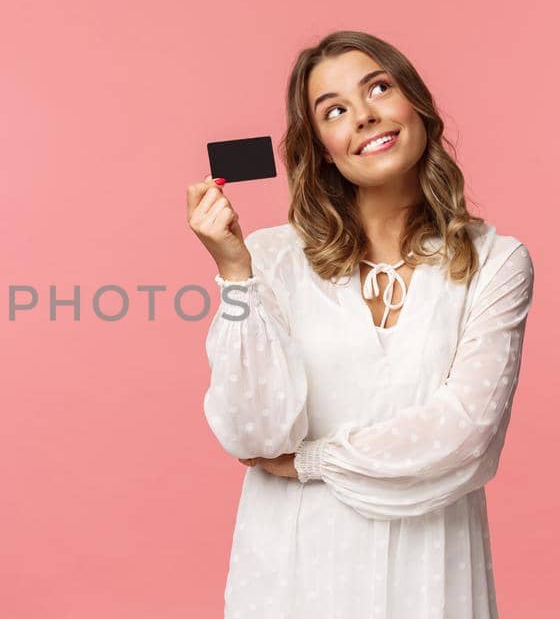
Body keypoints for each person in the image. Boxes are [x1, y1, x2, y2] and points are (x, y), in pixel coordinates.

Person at [184, 30, 535, 619]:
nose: (366, 117)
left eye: (379, 88)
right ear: (322, 146)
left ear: (416, 105)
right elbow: (255, 435)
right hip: (295, 571)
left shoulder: (496, 261)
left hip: (430, 574)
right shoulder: (271, 259)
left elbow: (466, 433)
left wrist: (311, 462)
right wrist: (235, 275)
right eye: (336, 110)